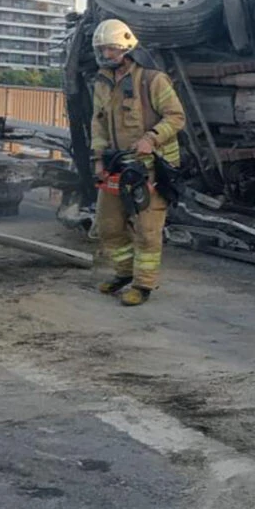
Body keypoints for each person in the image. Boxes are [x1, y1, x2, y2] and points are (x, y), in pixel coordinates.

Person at [89, 18, 186, 306]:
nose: (107, 55)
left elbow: (176, 117)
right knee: (109, 225)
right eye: (103, 50)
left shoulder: (153, 80)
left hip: (150, 168)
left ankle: (143, 285)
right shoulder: (103, 82)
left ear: (127, 48)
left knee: (147, 229)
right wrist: (98, 159)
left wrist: (151, 139)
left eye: (112, 50)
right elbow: (99, 125)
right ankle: (123, 273)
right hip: (116, 165)